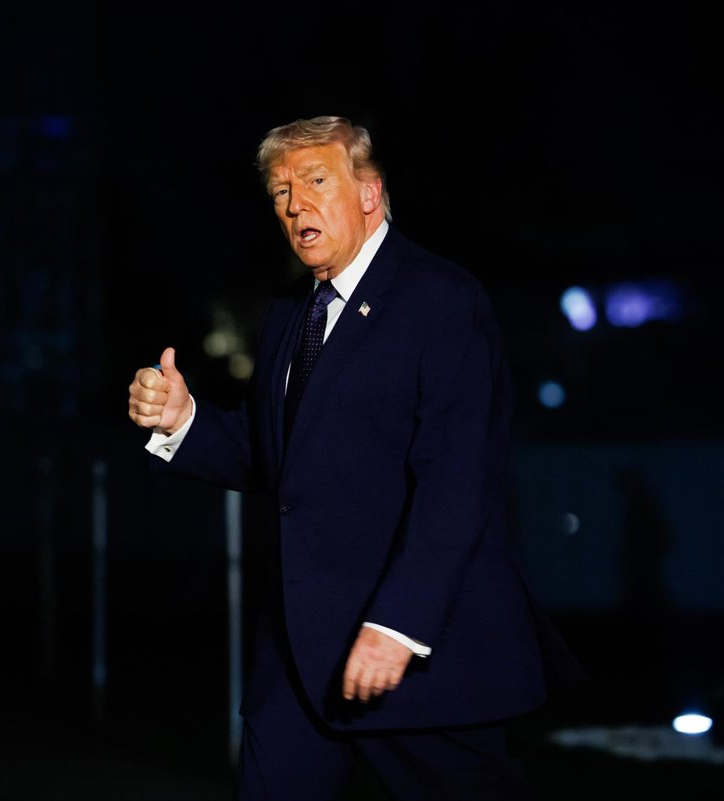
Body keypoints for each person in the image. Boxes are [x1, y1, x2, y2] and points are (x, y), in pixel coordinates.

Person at [127, 116, 581, 800]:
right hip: (296, 661)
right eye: (281, 191)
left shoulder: (442, 300)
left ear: (369, 193)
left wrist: (400, 624)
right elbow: (278, 457)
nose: (294, 205)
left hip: (416, 656)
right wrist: (182, 421)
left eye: (315, 181)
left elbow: (457, 481)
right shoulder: (290, 313)